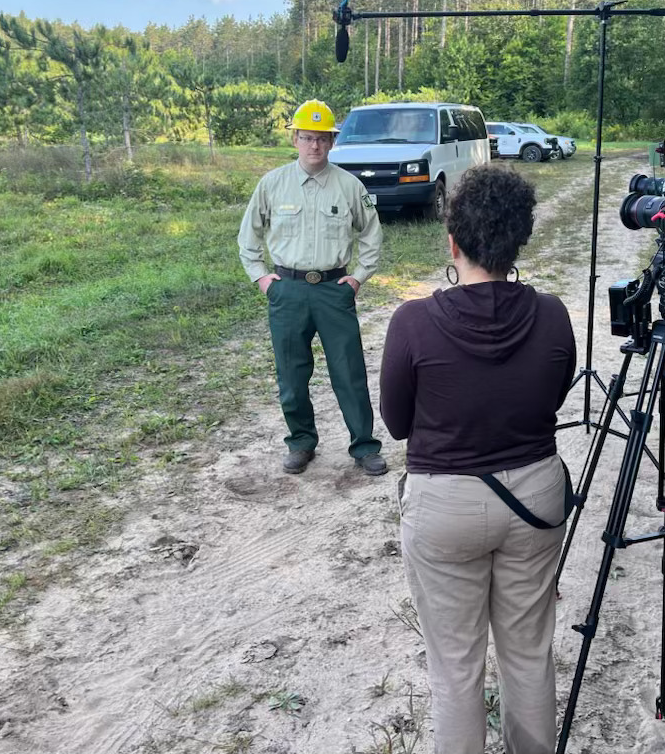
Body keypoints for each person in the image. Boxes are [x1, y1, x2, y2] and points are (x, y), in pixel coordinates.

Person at [380, 166, 576, 754]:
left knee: (456, 666)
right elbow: (552, 396)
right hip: (535, 497)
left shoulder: (412, 322)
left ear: (452, 242)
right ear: (518, 241)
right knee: (529, 653)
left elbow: (397, 424)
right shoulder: (553, 314)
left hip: (445, 506)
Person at [237, 99, 387, 476]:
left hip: (334, 290)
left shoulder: (349, 186)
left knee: (349, 372)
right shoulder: (272, 184)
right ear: (295, 139)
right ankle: (301, 442)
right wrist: (261, 277)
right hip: (287, 291)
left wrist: (358, 277)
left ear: (332, 141)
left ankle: (364, 446)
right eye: (307, 137)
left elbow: (371, 234)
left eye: (322, 138)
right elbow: (249, 235)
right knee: (291, 373)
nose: (314, 146)